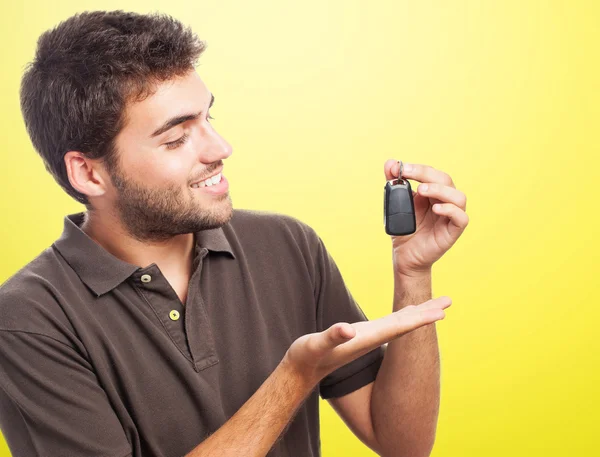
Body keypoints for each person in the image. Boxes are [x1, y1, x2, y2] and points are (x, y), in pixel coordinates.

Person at [0, 10, 469, 457]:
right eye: (176, 138)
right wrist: (294, 377)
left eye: (208, 117)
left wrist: (412, 272)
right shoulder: (28, 319)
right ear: (88, 174)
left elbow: (402, 445)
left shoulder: (288, 246)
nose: (220, 148)